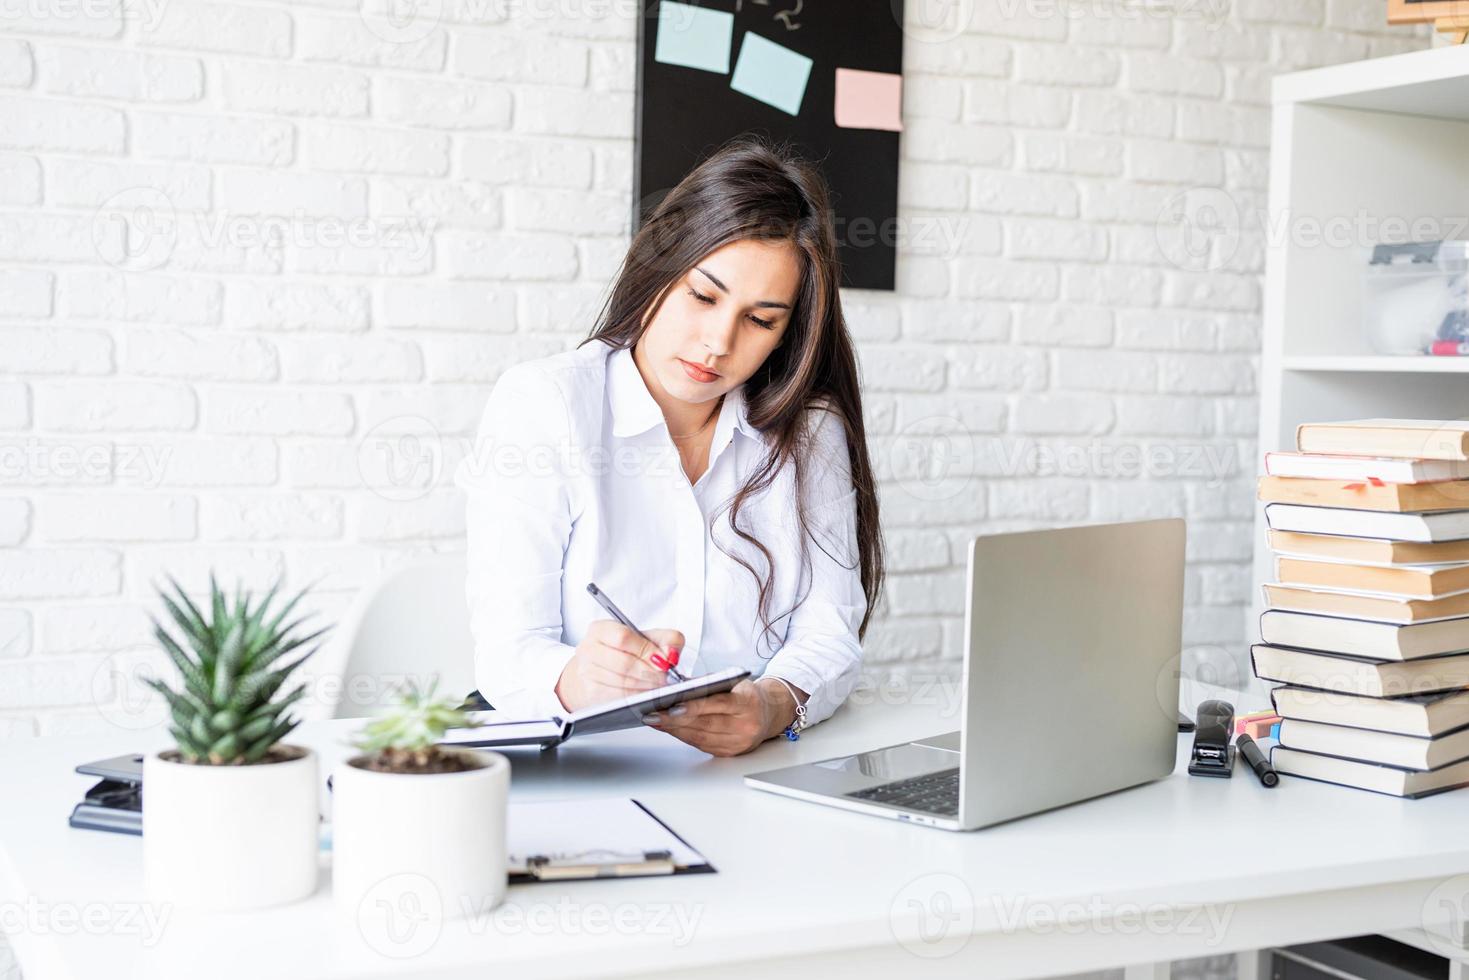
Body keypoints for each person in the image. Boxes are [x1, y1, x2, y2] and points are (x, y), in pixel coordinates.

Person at [458, 135, 885, 757]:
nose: (717, 341)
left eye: (760, 319)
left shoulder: (809, 433)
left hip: (745, 772)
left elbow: (829, 631)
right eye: (703, 296)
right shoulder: (547, 404)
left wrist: (770, 706)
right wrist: (575, 679)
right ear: (660, 268)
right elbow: (507, 650)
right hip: (587, 766)